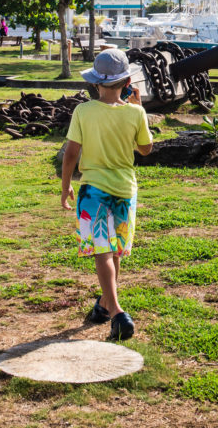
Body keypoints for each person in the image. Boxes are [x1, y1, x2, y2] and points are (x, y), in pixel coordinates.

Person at [60, 49, 153, 341]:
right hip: (125, 189)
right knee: (115, 250)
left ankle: (116, 312)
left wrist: (65, 186)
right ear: (126, 81)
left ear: (95, 83)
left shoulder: (83, 112)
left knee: (102, 251)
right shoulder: (135, 112)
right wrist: (139, 108)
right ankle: (103, 305)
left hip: (92, 191)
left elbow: (71, 153)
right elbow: (146, 149)